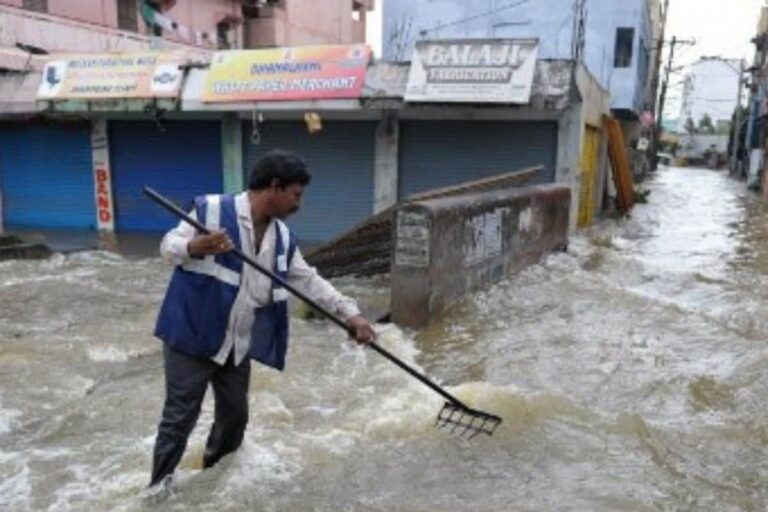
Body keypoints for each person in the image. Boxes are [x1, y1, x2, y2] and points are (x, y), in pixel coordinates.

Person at [149, 150, 376, 489]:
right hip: (191, 335)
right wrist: (197, 246)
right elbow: (168, 246)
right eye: (296, 195)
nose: (299, 204)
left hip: (235, 343)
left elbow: (308, 280)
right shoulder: (211, 210)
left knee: (235, 418)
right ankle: (157, 491)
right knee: (179, 418)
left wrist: (351, 314)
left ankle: (211, 481)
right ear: (274, 187)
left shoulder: (282, 238)